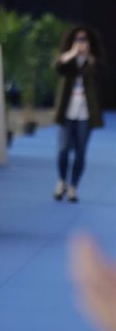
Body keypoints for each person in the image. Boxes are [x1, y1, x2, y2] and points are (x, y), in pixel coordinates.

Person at [53, 26, 103, 203]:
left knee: (80, 152)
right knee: (63, 149)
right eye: (78, 40)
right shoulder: (68, 59)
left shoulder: (94, 61)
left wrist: (88, 59)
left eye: (84, 40)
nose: (81, 43)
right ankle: (61, 182)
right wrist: (72, 54)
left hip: (86, 114)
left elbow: (100, 75)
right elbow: (58, 67)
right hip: (67, 112)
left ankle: (73, 187)